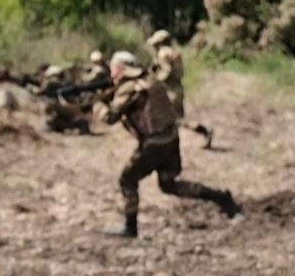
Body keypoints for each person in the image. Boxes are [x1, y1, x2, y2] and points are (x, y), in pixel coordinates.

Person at [96, 50, 240, 239]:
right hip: (170, 139)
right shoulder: (149, 79)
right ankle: (221, 197)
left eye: (114, 69)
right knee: (169, 184)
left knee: (127, 179)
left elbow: (110, 117)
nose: (111, 74)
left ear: (121, 70)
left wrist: (96, 103)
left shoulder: (129, 88)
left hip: (154, 144)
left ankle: (130, 227)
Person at [147, 28, 212, 148]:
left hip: (170, 89)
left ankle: (203, 131)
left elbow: (167, 72)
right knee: (177, 118)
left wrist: (155, 79)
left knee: (171, 118)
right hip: (177, 88)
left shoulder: (163, 53)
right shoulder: (174, 51)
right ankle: (203, 132)